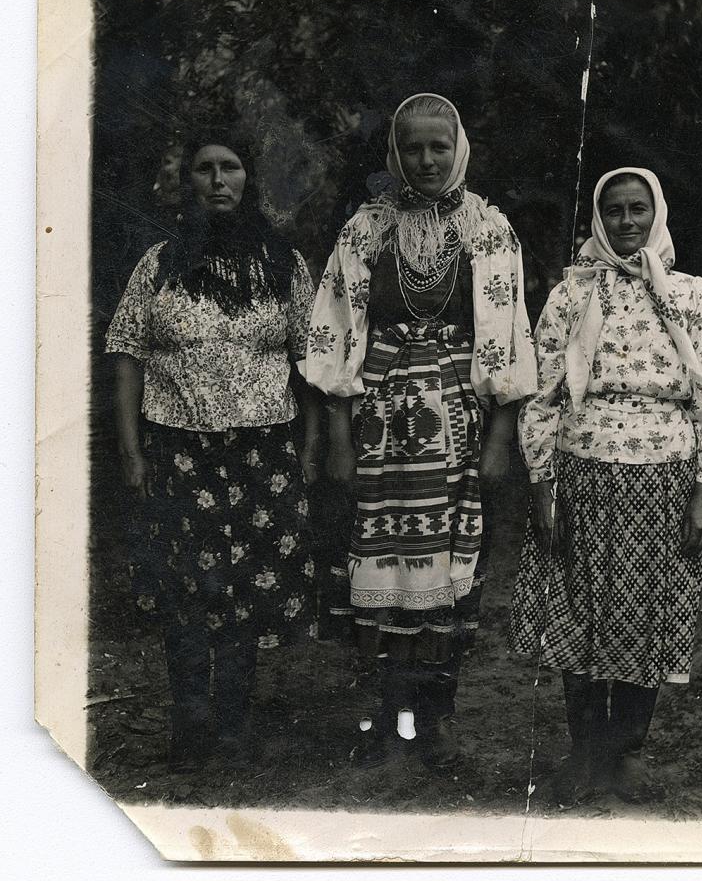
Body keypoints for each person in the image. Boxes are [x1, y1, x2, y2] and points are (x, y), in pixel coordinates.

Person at [301, 93, 536, 769]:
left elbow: (509, 337)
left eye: (440, 145)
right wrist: (341, 437)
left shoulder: (488, 230)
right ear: (395, 154)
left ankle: (433, 720)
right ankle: (381, 721)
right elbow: (335, 333)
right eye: (413, 147)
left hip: (456, 425)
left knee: (447, 568)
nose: (427, 159)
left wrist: (498, 437)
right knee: (381, 567)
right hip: (378, 422)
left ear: (458, 148)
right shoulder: (367, 229)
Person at [509, 167, 702, 807]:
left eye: (639, 210)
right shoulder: (570, 295)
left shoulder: (689, 295)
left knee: (645, 614)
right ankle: (583, 754)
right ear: (598, 220)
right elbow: (543, 396)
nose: (627, 222)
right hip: (582, 472)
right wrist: (542, 482)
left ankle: (623, 752)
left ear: (657, 216)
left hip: (664, 476)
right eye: (614, 211)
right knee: (578, 610)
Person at [105, 124, 320, 771]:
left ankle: (231, 728)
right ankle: (189, 726)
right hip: (177, 453)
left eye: (230, 167)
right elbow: (125, 354)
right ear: (189, 182)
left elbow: (311, 364)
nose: (219, 179)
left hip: (262, 455)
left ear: (248, 179)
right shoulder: (160, 264)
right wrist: (130, 452)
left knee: (245, 595)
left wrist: (310, 449)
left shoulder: (283, 264)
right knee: (186, 593)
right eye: (205, 168)